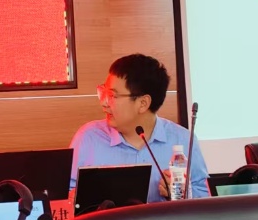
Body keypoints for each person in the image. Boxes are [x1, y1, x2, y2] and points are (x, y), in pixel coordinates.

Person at [69, 54, 208, 203]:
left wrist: (181, 194)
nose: (104, 103)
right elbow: (64, 195)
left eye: (112, 96)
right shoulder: (88, 138)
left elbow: (205, 197)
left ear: (143, 103)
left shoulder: (183, 140)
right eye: (104, 92)